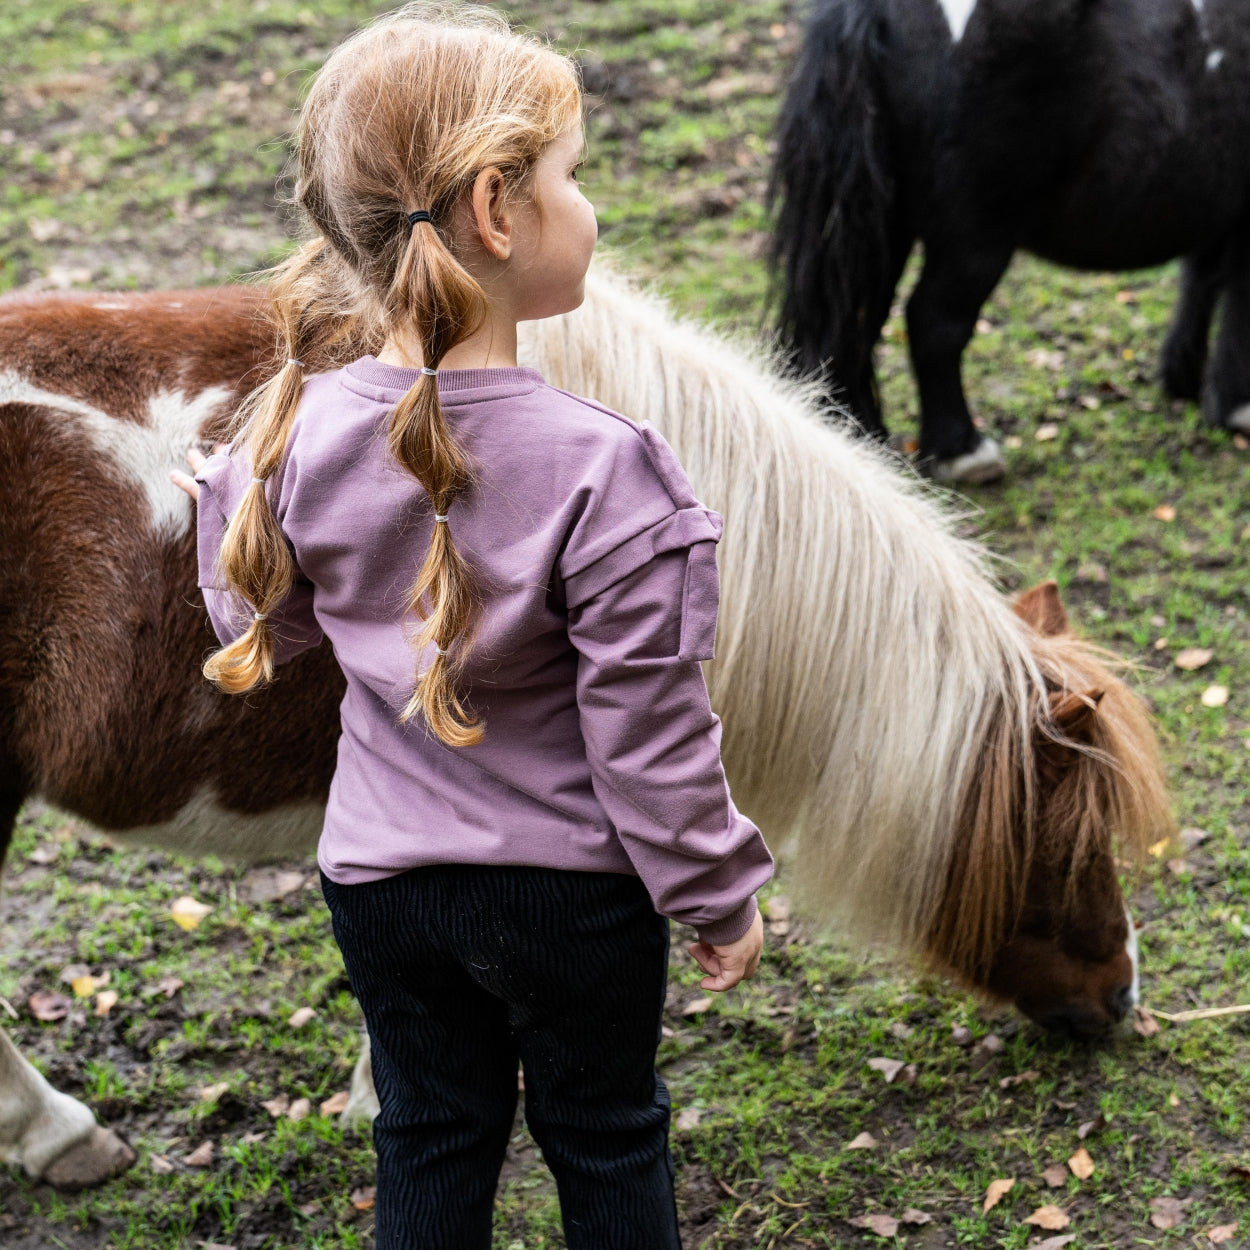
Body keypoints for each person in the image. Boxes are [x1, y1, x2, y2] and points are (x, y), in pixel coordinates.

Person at [171, 6, 773, 1247]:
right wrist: (716, 892)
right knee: (605, 1136)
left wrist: (212, 503)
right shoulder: (611, 473)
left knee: (428, 1137)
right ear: (499, 209)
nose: (587, 204)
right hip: (571, 902)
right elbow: (651, 744)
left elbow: (256, 626)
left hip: (381, 891)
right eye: (573, 175)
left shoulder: (287, 437)